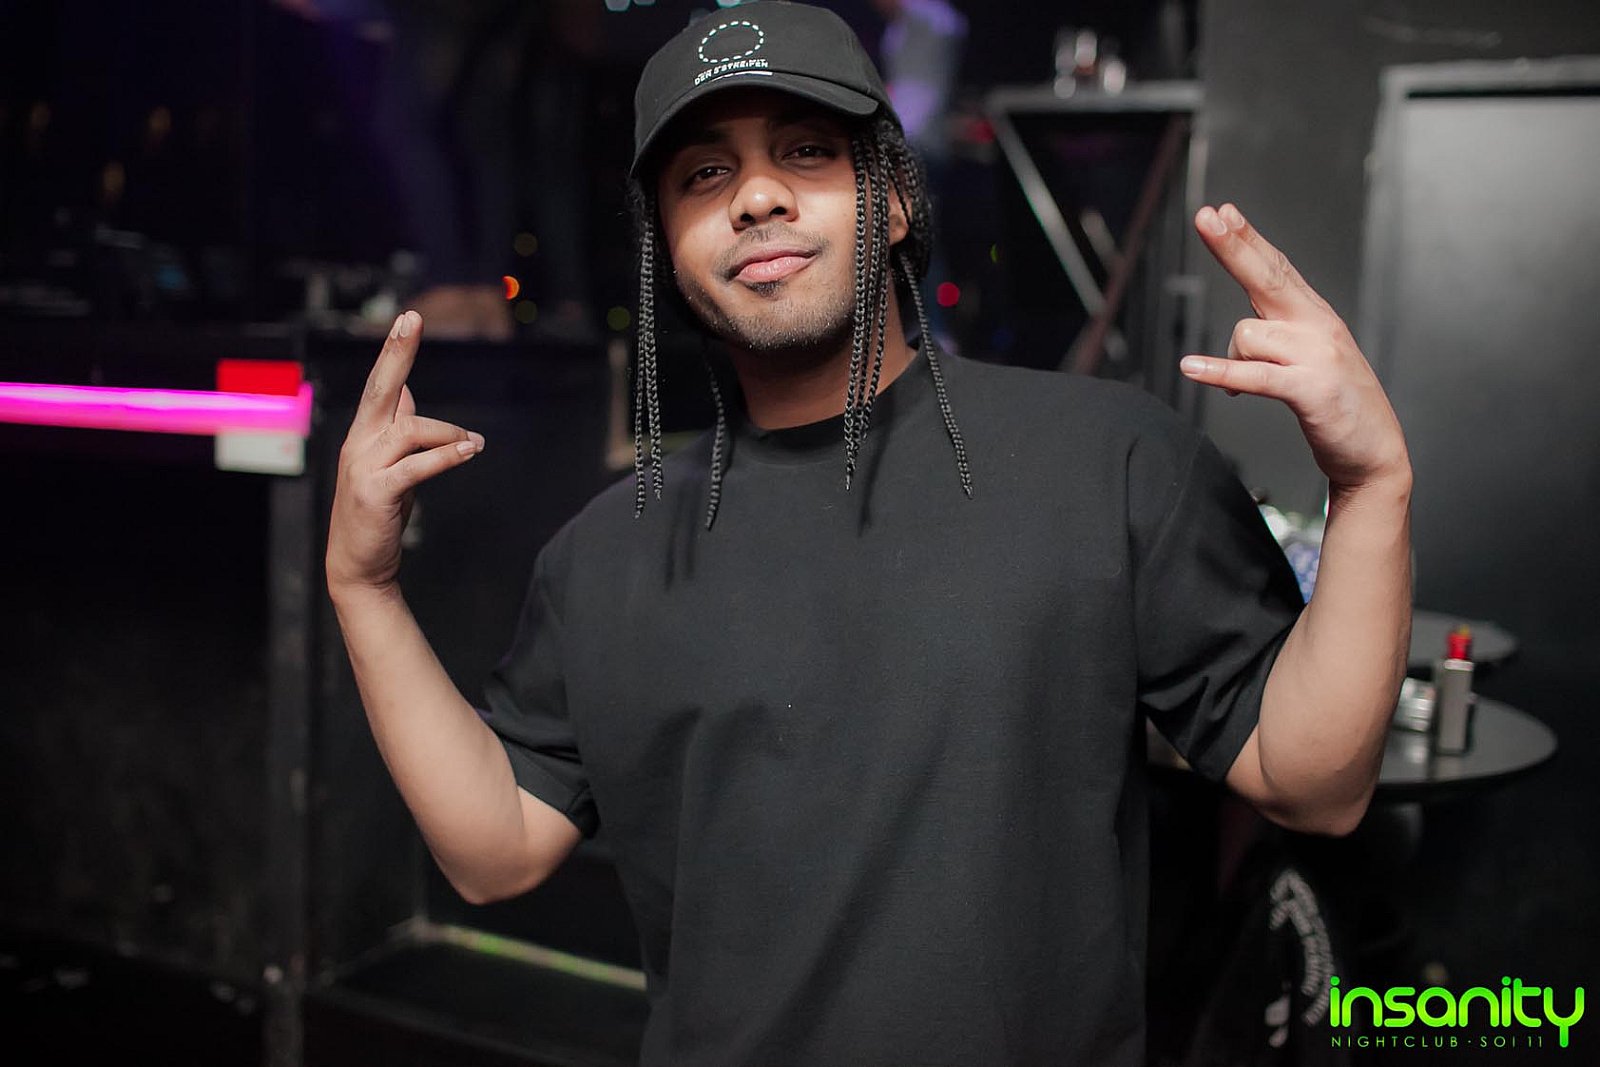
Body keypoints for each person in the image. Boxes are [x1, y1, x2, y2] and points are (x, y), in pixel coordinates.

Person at [324, 4, 1413, 1064]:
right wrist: (361, 588)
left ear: (892, 200)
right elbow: (496, 850)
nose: (755, 195)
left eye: (804, 151)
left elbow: (1314, 781)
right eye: (704, 174)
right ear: (667, 246)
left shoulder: (1110, 461)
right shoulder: (606, 550)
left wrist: (1371, 486)